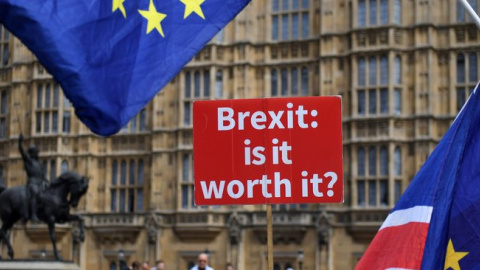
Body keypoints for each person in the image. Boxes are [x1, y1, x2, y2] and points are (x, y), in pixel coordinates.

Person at [18, 134, 49, 222]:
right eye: (36, 152)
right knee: (35, 193)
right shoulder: (29, 162)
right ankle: (33, 214)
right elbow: (22, 152)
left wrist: (49, 183)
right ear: (32, 153)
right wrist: (20, 142)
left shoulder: (39, 164)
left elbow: (43, 176)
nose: (37, 153)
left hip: (40, 183)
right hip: (32, 183)